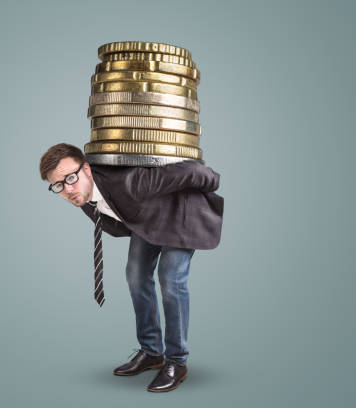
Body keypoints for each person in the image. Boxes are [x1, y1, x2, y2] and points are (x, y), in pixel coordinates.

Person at [39, 143, 224, 393]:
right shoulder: (82, 198)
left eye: (71, 178)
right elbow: (117, 221)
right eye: (58, 185)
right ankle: (151, 352)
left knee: (170, 279)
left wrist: (213, 181)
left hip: (180, 210)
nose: (68, 189)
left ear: (87, 169)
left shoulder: (129, 181)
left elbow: (191, 170)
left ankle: (177, 361)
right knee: (136, 275)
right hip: (148, 217)